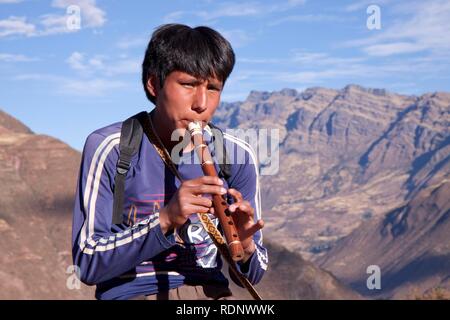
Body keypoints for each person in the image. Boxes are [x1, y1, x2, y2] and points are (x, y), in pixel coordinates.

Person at [72, 23, 268, 300]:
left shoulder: (237, 155)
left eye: (213, 88)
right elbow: (86, 264)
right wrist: (165, 219)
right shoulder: (111, 147)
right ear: (154, 83)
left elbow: (254, 274)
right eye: (188, 84)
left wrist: (245, 245)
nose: (201, 103)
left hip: (212, 295)